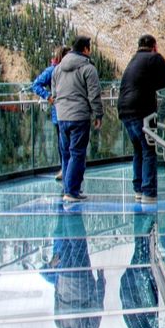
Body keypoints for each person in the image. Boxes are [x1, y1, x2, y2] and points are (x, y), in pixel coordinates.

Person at [118, 34, 165, 204]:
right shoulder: (155, 59)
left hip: (124, 110)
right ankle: (149, 191)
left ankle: (139, 189)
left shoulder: (134, 60)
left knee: (138, 150)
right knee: (149, 150)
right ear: (154, 46)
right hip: (142, 110)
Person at [52, 36, 103, 203]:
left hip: (61, 116)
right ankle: (73, 191)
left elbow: (54, 93)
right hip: (79, 116)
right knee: (77, 153)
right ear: (86, 49)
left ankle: (68, 189)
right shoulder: (88, 68)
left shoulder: (58, 69)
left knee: (66, 154)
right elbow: (94, 94)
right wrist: (98, 114)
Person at [32, 45, 71, 180]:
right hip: (59, 114)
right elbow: (36, 85)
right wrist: (48, 96)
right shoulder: (53, 70)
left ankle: (69, 171)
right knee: (63, 145)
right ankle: (65, 170)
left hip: (67, 113)